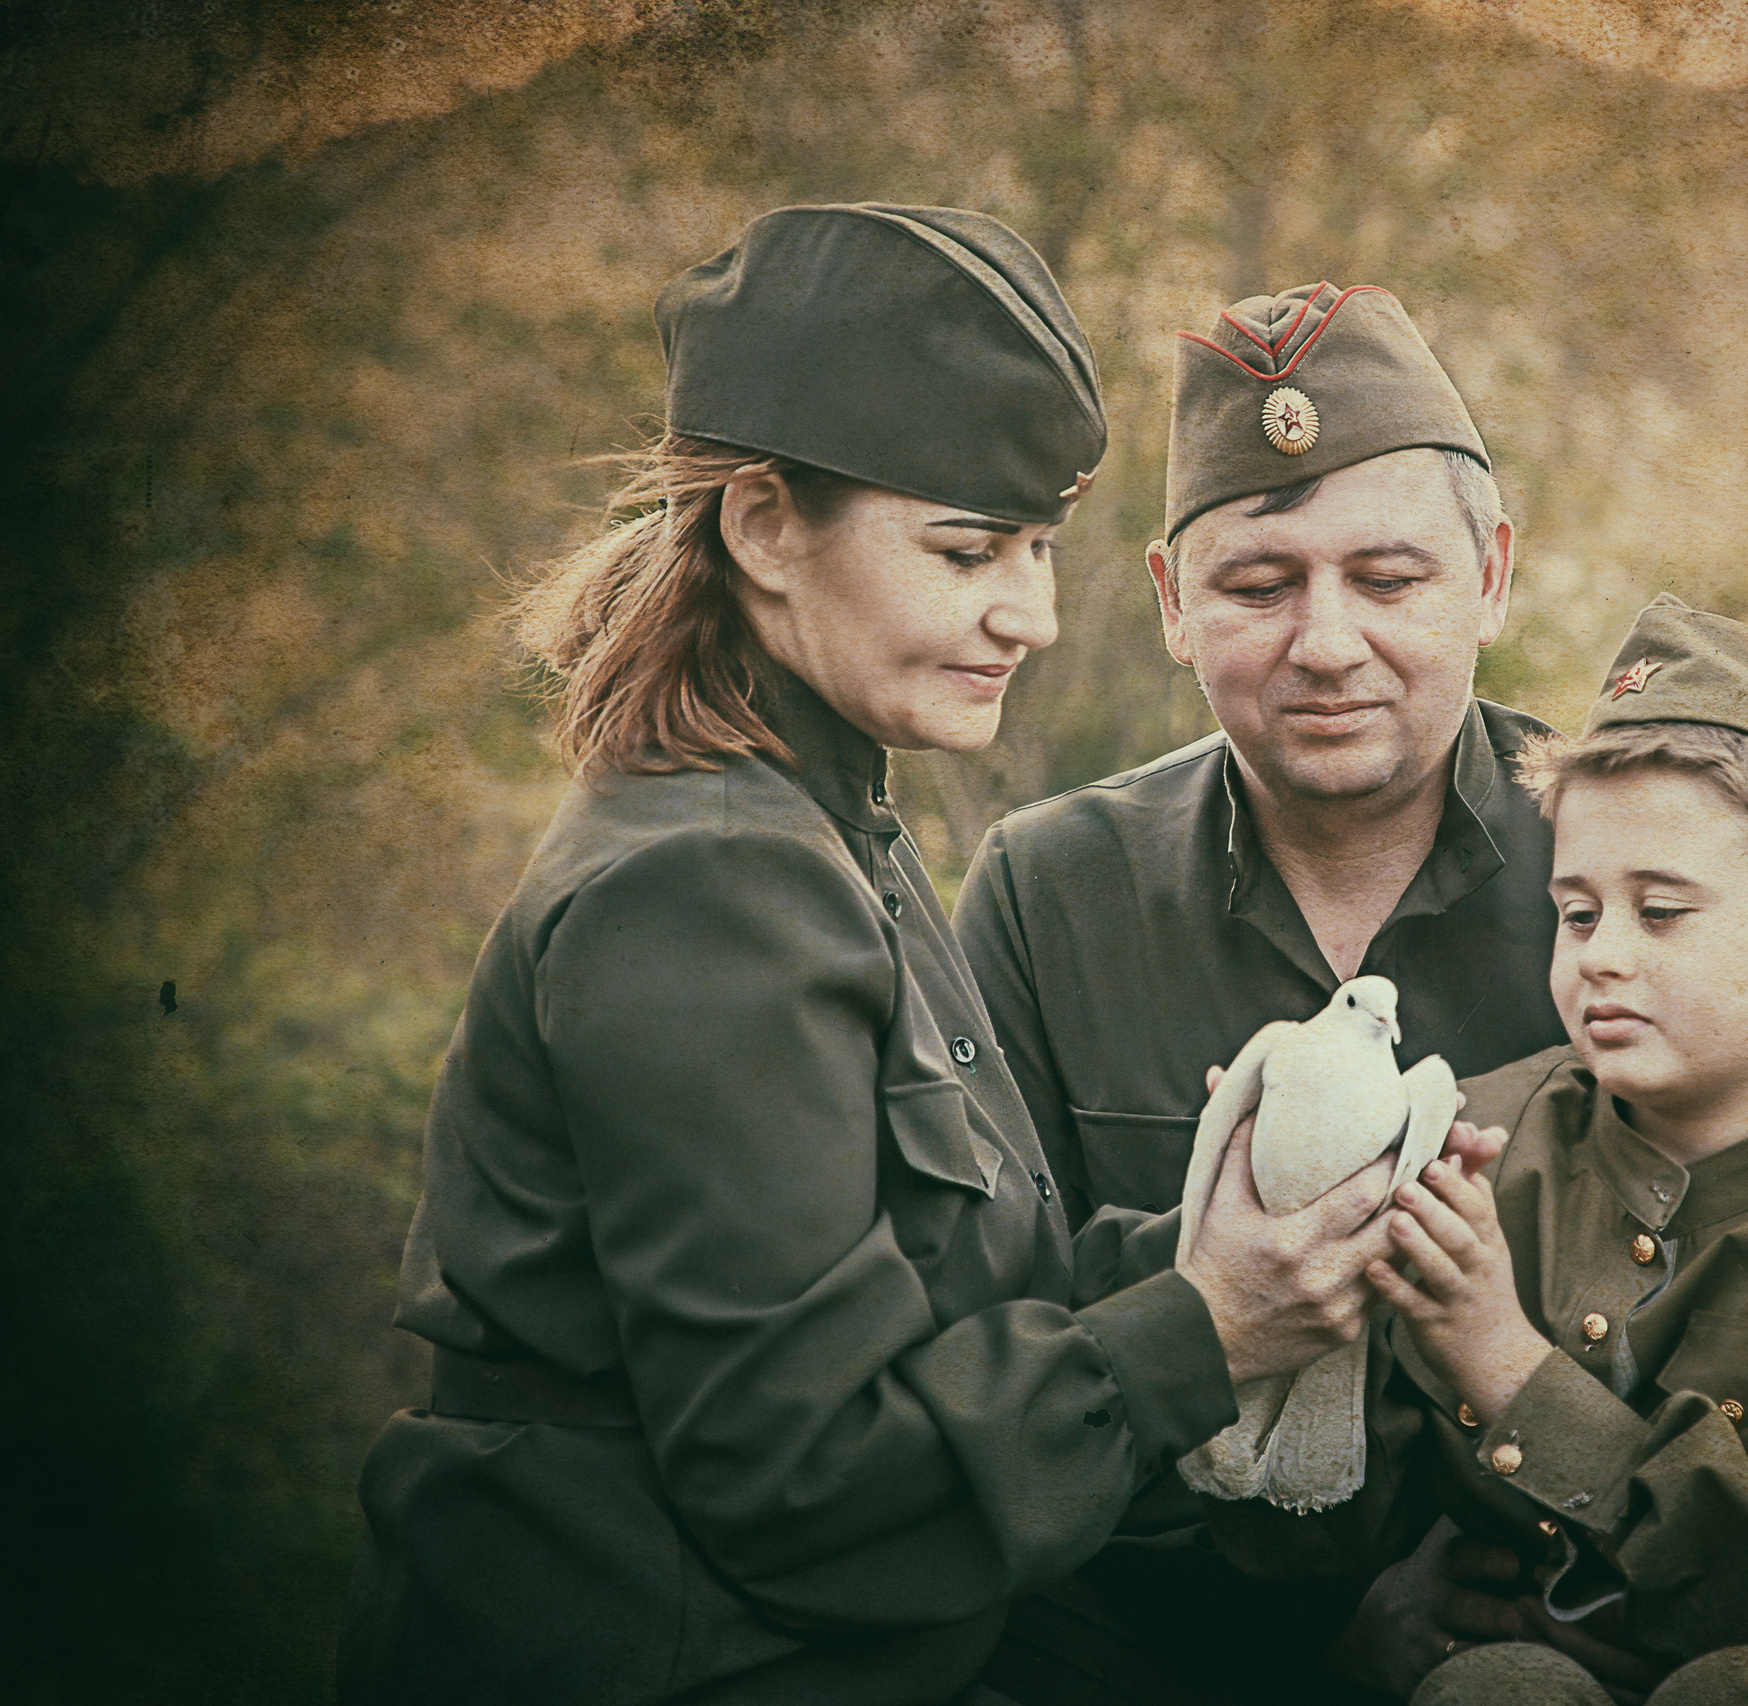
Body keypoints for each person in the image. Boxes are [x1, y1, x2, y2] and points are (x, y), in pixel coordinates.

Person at [952, 283, 1748, 1697]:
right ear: (1171, 605)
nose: (1327, 642)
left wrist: (1726, 1632)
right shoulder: (1049, 889)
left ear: (1494, 575)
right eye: (1260, 584)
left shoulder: (1658, 855)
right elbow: (1003, 1319)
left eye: (1390, 578)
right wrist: (1330, 1649)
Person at [336, 206, 1420, 1706]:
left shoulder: (826, 824)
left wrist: (1248, 1233)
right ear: (767, 524)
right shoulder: (707, 886)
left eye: (1039, 549)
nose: (1029, 613)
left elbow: (966, 1289)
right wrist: (1215, 1321)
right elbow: (811, 1489)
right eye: (969, 549)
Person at [1210, 593, 1748, 1706]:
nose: (1600, 955)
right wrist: (1301, 1200)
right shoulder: (1484, 1138)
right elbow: (1326, 1503)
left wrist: (1506, 1366)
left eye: (1659, 912)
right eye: (1575, 912)